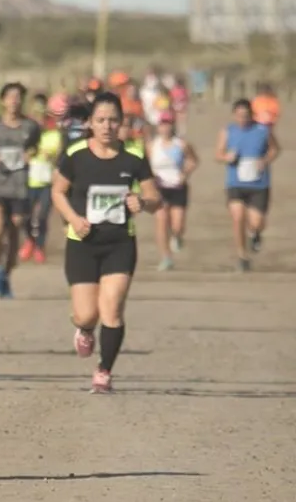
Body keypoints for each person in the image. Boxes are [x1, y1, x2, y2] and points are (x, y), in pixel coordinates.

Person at [51, 92, 162, 394]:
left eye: (113, 120)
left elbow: (155, 198)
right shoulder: (76, 154)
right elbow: (57, 192)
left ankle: (104, 372)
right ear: (90, 122)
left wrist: (143, 202)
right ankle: (85, 329)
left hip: (119, 243)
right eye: (100, 120)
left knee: (112, 309)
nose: (107, 126)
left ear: (121, 122)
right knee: (86, 314)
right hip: (82, 243)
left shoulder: (134, 156)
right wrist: (73, 219)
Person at [0, 82, 41, 298]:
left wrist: (30, 155)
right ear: (2, 100)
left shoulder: (30, 127)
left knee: (15, 228)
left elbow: (36, 147)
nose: (14, 101)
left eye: (18, 97)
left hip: (19, 185)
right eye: (10, 97)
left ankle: (5, 275)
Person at [215, 98, 280, 271]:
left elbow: (275, 149)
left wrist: (265, 160)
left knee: (256, 222)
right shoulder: (228, 131)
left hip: (259, 184)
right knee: (238, 217)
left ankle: (255, 233)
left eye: (245, 115)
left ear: (252, 115)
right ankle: (242, 255)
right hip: (235, 182)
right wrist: (226, 157)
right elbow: (218, 154)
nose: (242, 119)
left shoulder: (263, 130)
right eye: (239, 116)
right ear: (234, 115)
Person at [146, 110, 199, 270]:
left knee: (177, 225)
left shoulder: (181, 144)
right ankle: (166, 257)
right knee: (161, 221)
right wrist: (151, 179)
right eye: (162, 124)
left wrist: (185, 174)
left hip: (177, 187)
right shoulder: (152, 145)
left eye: (168, 124)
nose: (165, 127)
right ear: (158, 127)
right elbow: (144, 165)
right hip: (159, 188)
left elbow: (193, 161)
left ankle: (177, 236)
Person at [20, 92, 66, 263]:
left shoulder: (54, 131)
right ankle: (29, 241)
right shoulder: (25, 128)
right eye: (35, 108)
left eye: (41, 108)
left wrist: (53, 158)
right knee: (25, 215)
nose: (37, 112)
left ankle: (40, 246)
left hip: (47, 180)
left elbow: (60, 153)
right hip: (28, 179)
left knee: (42, 216)